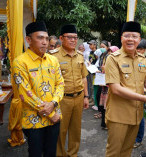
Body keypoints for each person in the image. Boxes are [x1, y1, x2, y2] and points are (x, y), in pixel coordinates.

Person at [104, 21, 146, 157]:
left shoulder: (143, 60)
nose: (130, 39)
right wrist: (144, 98)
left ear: (139, 40)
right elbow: (115, 89)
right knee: (114, 153)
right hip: (118, 116)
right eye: (127, 36)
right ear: (121, 38)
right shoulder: (113, 59)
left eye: (134, 36)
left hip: (136, 115)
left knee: (127, 152)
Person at [12, 21, 64, 157]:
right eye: (40, 38)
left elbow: (60, 84)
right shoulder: (20, 62)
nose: (45, 42)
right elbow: (25, 93)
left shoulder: (53, 60)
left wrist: (53, 103)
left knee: (51, 152)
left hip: (54, 116)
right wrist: (51, 114)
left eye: (46, 38)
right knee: (35, 153)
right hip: (33, 120)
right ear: (28, 40)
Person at [51, 24, 89, 157]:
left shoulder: (80, 56)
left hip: (78, 98)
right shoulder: (53, 57)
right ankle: (60, 154)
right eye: (70, 37)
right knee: (60, 130)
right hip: (62, 100)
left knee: (76, 130)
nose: (74, 40)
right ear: (61, 38)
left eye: (75, 38)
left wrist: (86, 96)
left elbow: (84, 77)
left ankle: (73, 154)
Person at [134, 38, 146, 149]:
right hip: (130, 95)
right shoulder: (132, 60)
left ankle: (138, 139)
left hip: (141, 95)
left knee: (139, 118)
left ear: (144, 50)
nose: (137, 51)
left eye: (140, 49)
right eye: (137, 49)